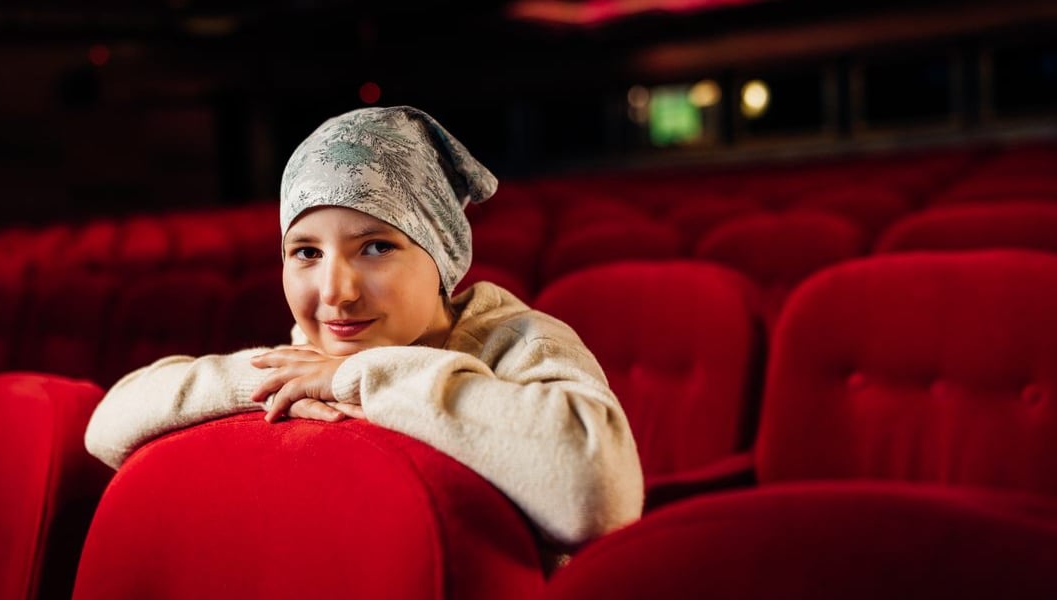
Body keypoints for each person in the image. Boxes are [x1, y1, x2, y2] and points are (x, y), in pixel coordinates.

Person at [84, 105, 644, 556]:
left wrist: (354, 377)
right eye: (306, 252)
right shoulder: (303, 359)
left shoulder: (518, 343)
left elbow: (599, 495)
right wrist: (258, 382)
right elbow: (105, 429)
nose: (336, 292)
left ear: (441, 256)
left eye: (376, 247)